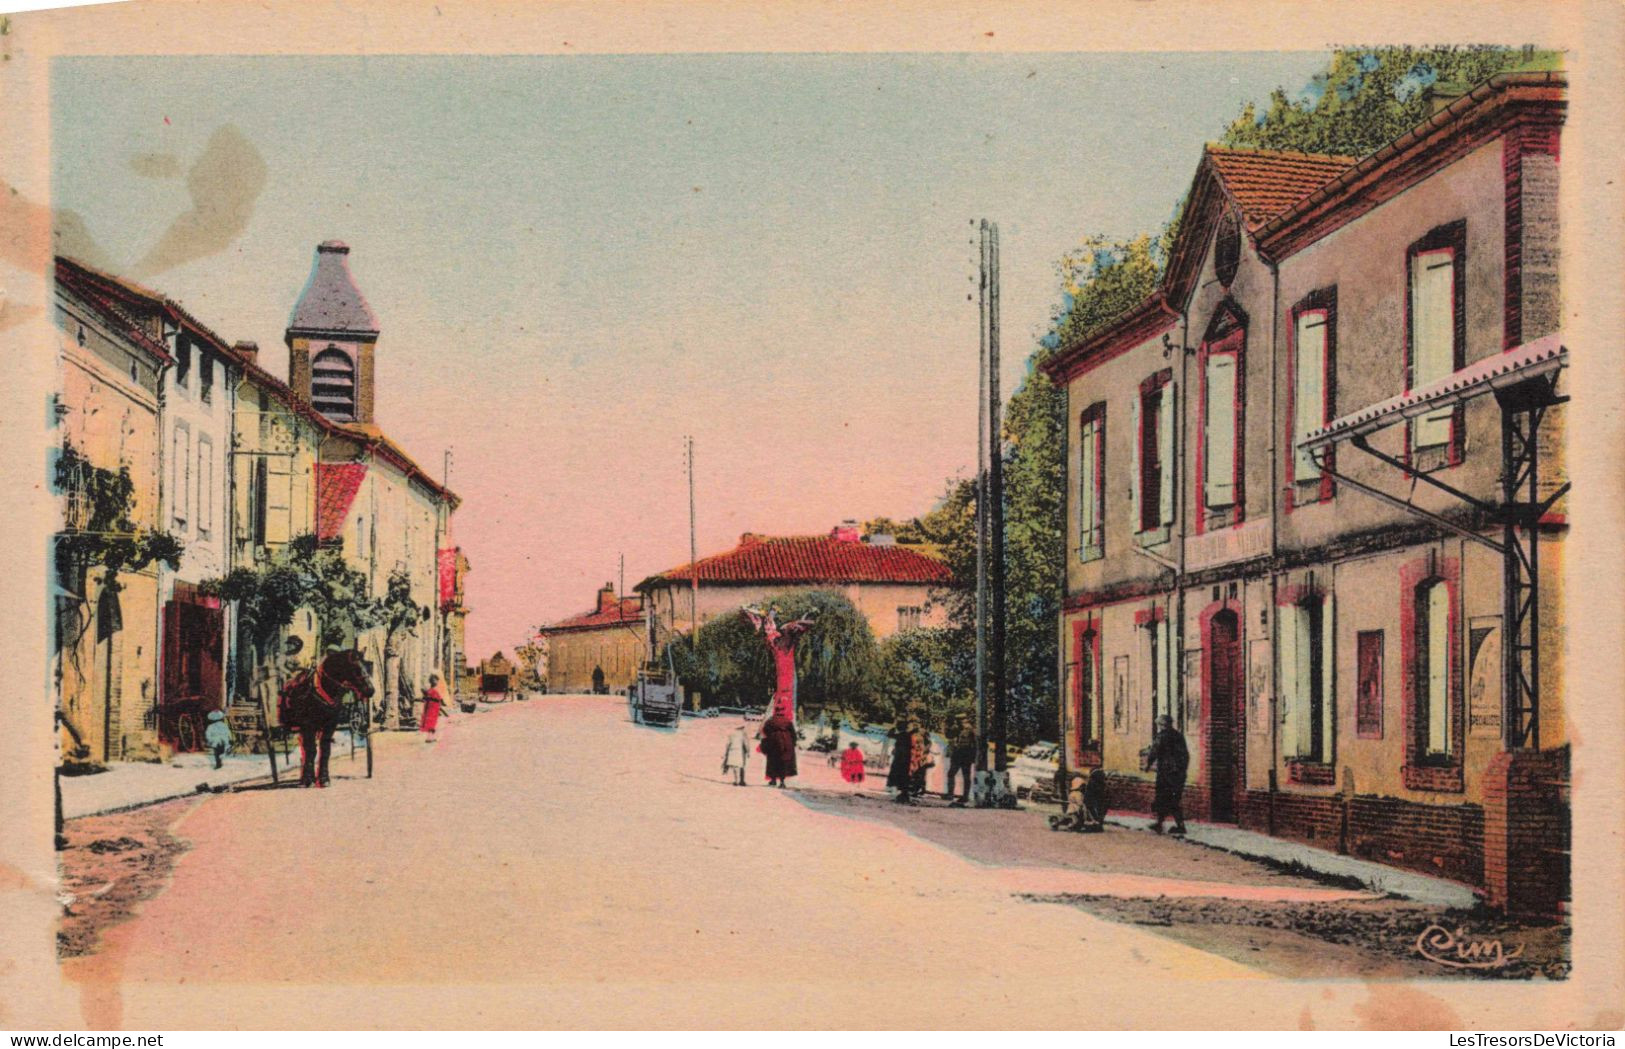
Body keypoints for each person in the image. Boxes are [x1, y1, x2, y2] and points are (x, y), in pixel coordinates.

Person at [1145, 714, 1189, 835]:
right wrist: (1182, 769)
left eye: (1159, 724)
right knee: (1174, 798)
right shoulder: (1178, 736)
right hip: (1179, 773)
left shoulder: (1162, 736)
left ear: (1161, 725)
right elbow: (1185, 755)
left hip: (1166, 772)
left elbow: (1154, 751)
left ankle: (1162, 824)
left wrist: (1148, 765)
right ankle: (1174, 824)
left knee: (1162, 797)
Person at [757, 702, 798, 787]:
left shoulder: (771, 721)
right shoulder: (787, 721)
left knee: (772, 761)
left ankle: (773, 780)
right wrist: (793, 743)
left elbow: (765, 731)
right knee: (783, 762)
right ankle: (782, 782)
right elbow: (793, 733)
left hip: (773, 744)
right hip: (786, 744)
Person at [946, 714, 976, 805]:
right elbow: (948, 736)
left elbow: (974, 743)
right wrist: (948, 726)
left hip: (966, 753)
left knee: (965, 775)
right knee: (951, 773)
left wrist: (973, 756)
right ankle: (951, 794)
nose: (959, 723)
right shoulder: (957, 729)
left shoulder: (970, 730)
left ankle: (965, 796)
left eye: (960, 721)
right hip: (958, 753)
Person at [886, 715, 917, 805]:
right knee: (904, 775)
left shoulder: (902, 735)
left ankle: (899, 791)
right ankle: (903, 792)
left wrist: (893, 726)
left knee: (896, 773)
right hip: (905, 758)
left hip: (900, 757)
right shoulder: (908, 735)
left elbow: (889, 734)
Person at [722, 721, 750, 786]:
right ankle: (742, 781)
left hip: (732, 751)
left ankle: (736, 780)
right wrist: (748, 752)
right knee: (741, 767)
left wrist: (726, 753)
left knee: (734, 767)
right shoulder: (743, 734)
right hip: (740, 752)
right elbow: (746, 744)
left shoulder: (731, 734)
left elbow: (727, 744)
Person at [420, 674, 447, 742]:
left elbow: (440, 699)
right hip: (430, 708)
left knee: (433, 722)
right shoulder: (431, 690)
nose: (436, 682)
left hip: (435, 708)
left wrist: (442, 702)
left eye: (436, 681)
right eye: (434, 680)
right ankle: (429, 737)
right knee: (430, 722)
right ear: (431, 681)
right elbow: (427, 697)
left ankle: (432, 737)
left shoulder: (435, 690)